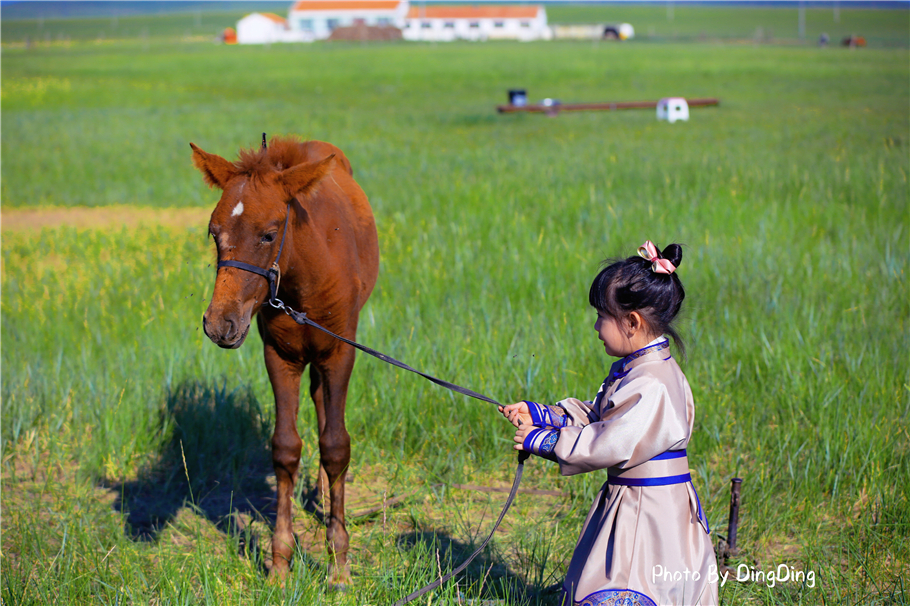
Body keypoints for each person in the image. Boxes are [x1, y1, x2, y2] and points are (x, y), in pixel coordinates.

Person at [500, 241, 718, 606]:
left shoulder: (651, 382)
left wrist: (543, 441)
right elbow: (604, 415)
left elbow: (609, 441)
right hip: (636, 502)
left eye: (602, 316)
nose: (596, 326)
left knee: (630, 582)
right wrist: (542, 414)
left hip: (647, 514)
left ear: (632, 323)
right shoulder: (643, 369)